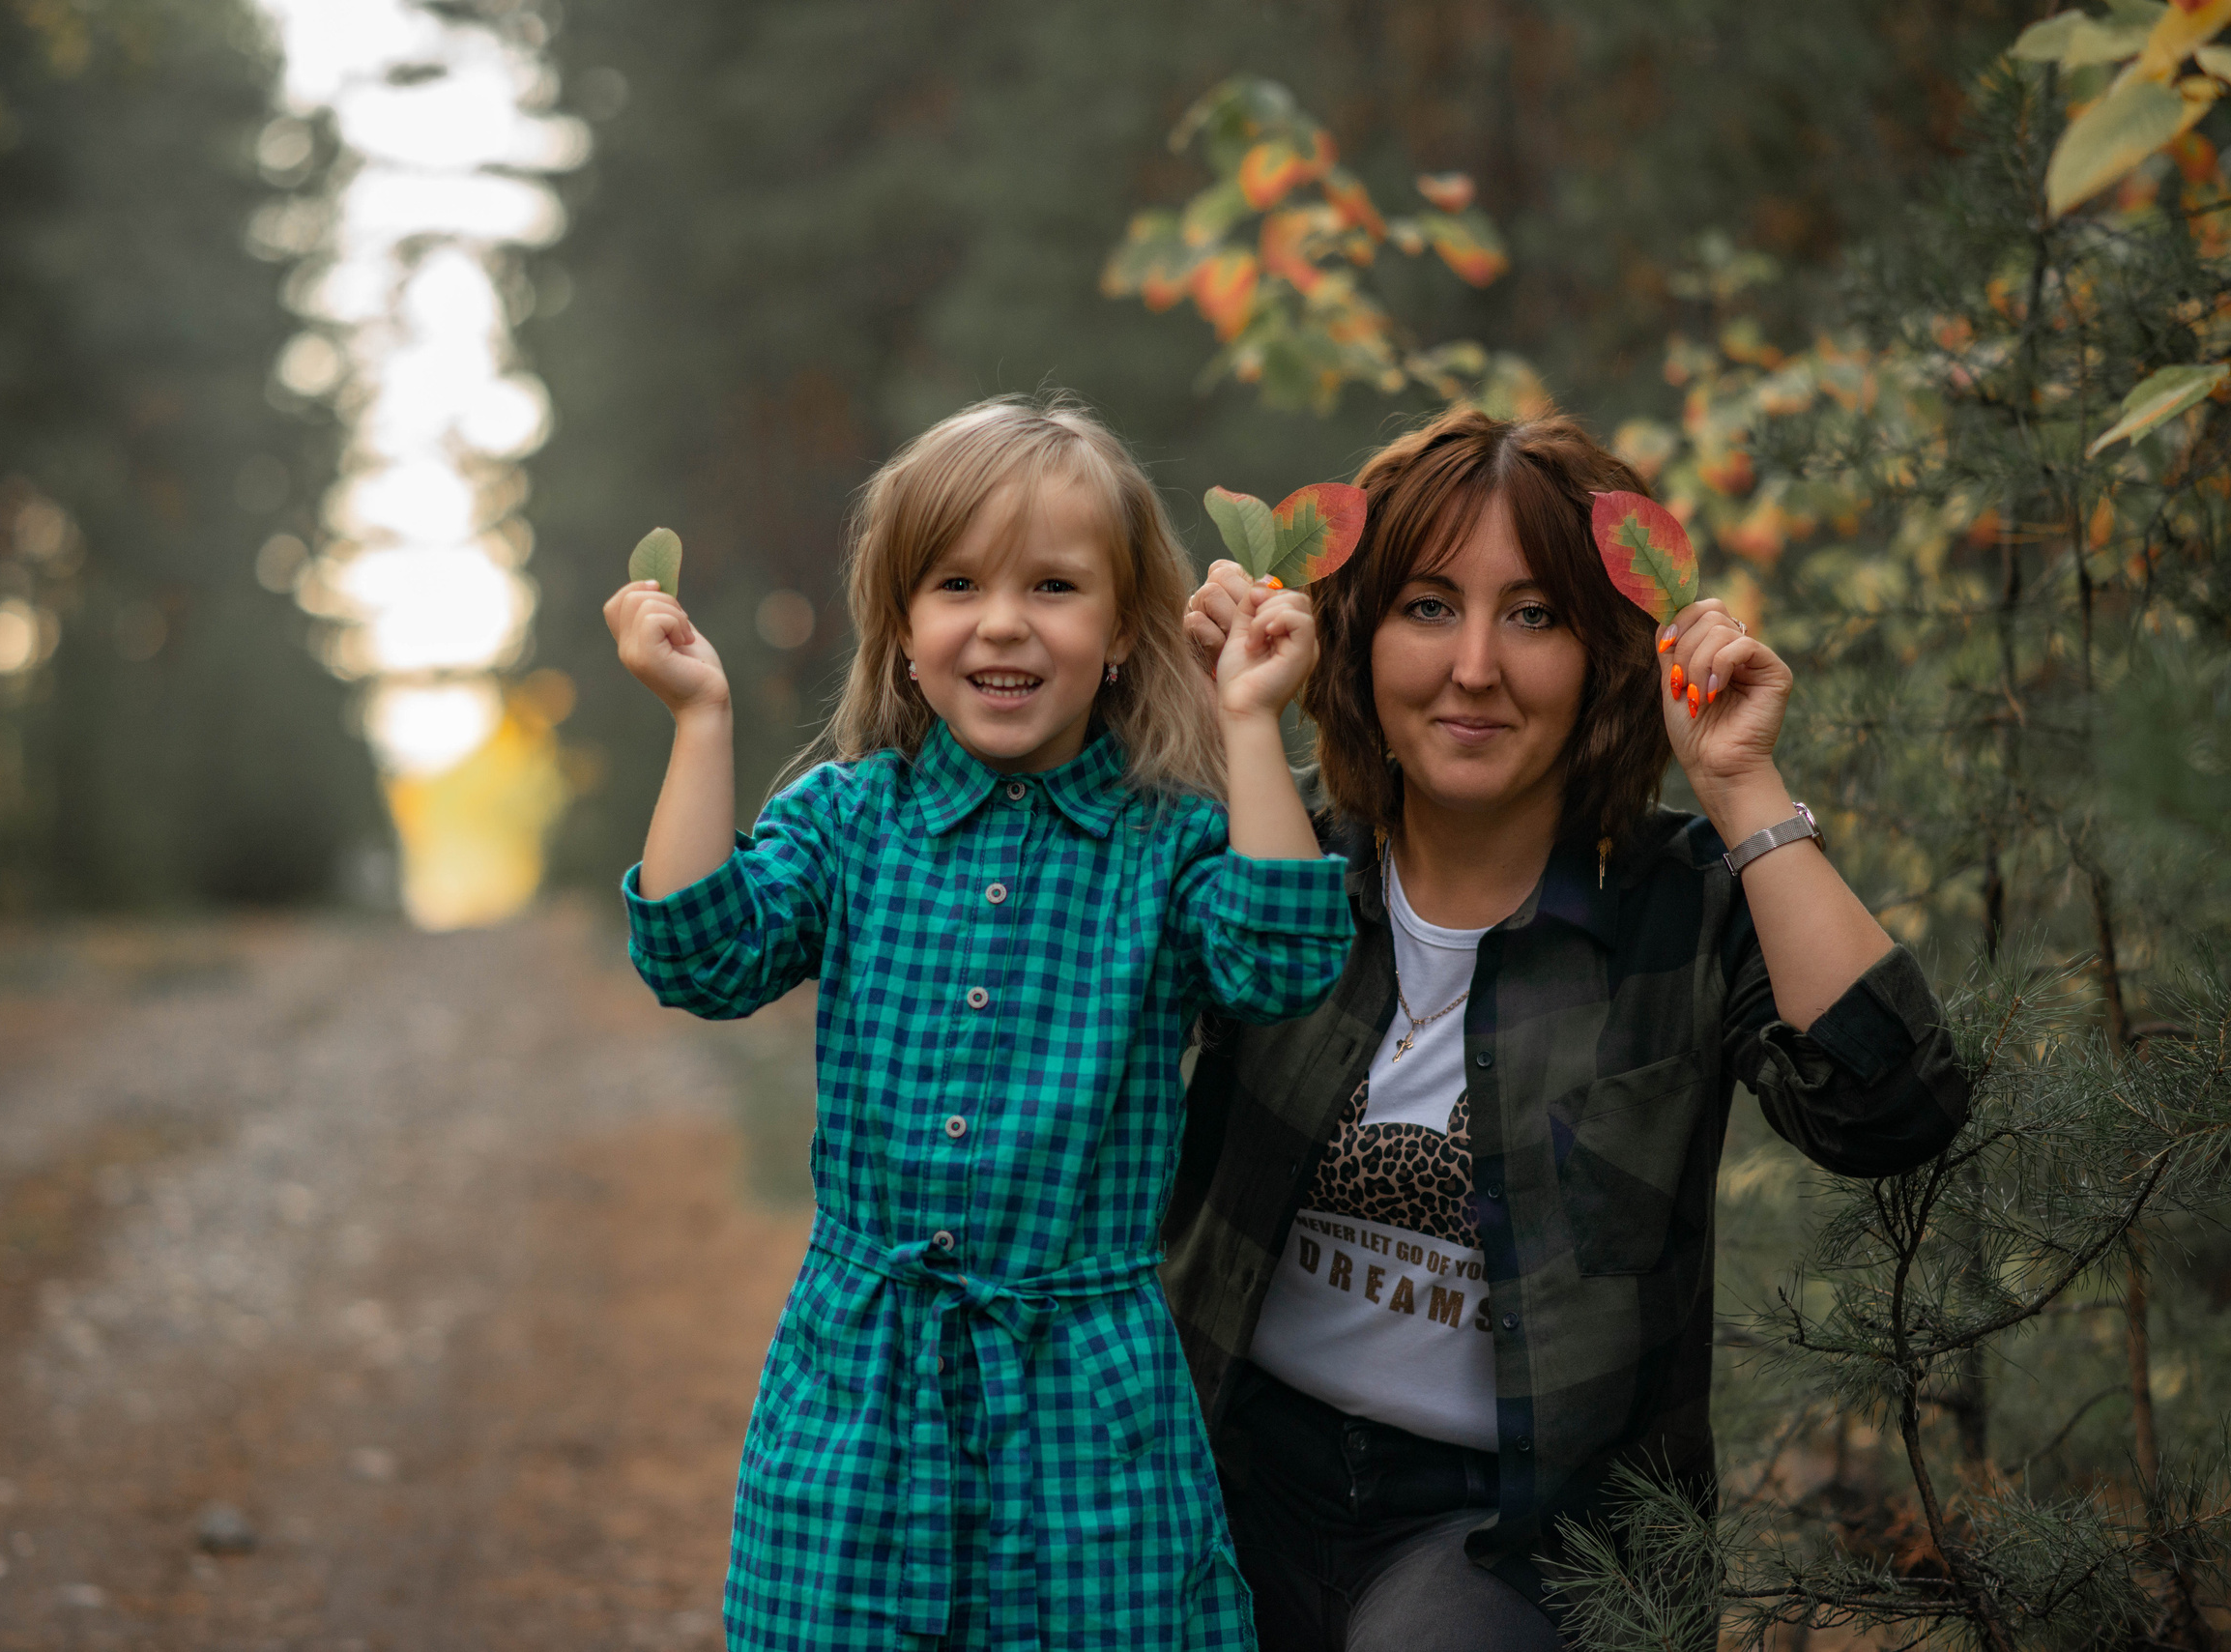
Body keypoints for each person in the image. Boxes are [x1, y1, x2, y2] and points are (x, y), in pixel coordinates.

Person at [1167, 407, 1973, 1652]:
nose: (1475, 666)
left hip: (1520, 1535)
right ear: (1357, 634)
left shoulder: (1679, 907)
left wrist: (1744, 784)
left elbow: (1890, 1110)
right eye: (1428, 607)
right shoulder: (1276, 867)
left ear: (1604, 651)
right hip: (1221, 1473)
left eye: (1534, 615)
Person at [606, 394, 1355, 1651]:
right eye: (957, 583)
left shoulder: (1164, 839)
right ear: (904, 629)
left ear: (1120, 630)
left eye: (1055, 586)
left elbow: (1281, 954)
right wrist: (699, 719)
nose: (1003, 620)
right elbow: (702, 951)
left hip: (1086, 1394)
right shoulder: (848, 822)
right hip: (863, 1382)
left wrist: (1251, 716)